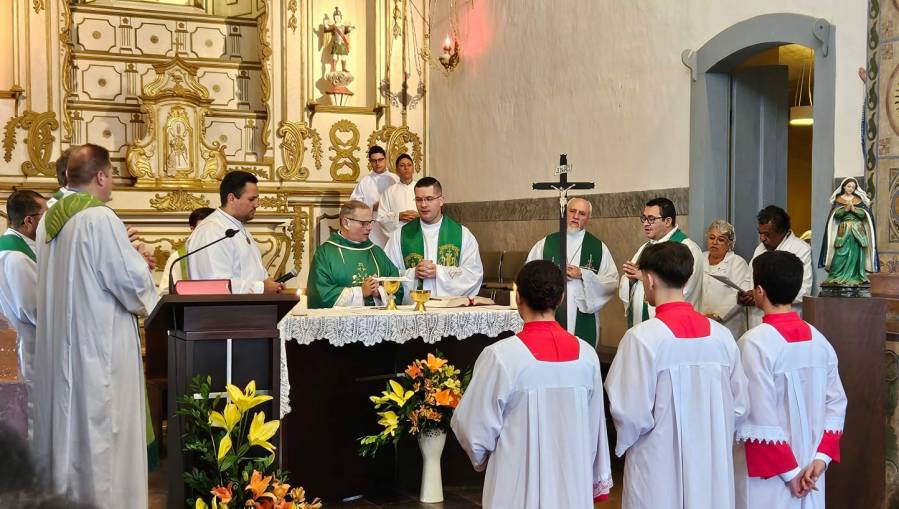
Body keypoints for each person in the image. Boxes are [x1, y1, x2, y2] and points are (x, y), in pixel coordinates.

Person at [31, 144, 159, 508]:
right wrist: (136, 256)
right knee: (103, 429)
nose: (113, 180)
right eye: (112, 174)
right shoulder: (99, 218)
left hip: (65, 345)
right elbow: (133, 286)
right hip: (98, 345)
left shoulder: (50, 219)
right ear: (101, 176)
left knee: (72, 431)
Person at [452, 260, 613, 508]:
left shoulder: (501, 356)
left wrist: (482, 458)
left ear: (518, 299)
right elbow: (594, 430)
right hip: (571, 485)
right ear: (560, 299)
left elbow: (473, 426)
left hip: (516, 486)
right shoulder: (587, 355)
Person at [605, 241, 748, 509]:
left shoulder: (642, 338)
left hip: (659, 464)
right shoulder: (722, 336)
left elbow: (629, 413)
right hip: (710, 463)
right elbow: (739, 407)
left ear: (649, 279)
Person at [735, 251, 847, 509]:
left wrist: (790, 473)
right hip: (812, 471)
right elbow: (837, 404)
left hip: (772, 477)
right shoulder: (820, 341)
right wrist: (821, 458)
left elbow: (757, 416)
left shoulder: (754, 344)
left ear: (759, 291)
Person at [525, 197, 618, 346]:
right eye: (572, 211)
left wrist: (583, 275)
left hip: (581, 312)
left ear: (588, 218)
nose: (576, 216)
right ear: (564, 213)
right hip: (550, 310)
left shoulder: (598, 248)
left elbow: (611, 283)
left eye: (582, 213)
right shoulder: (545, 244)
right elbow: (528, 274)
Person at [384, 176, 484, 301]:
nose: (423, 205)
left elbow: (474, 274)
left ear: (441, 200)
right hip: (413, 311)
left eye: (429, 199)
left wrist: (439, 272)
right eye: (419, 200)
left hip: (449, 311)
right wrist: (413, 273)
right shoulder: (400, 235)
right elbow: (387, 274)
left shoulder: (462, 234)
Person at [186, 171, 284, 294]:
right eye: (251, 199)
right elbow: (217, 284)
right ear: (231, 198)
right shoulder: (211, 231)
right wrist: (261, 288)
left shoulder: (237, 228)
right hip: (221, 311)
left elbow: (252, 273)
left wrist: (271, 284)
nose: (257, 204)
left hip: (246, 310)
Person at [618, 197, 703, 327]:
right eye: (644, 218)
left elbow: (684, 290)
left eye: (651, 219)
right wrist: (630, 279)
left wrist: (644, 276)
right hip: (640, 323)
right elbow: (632, 276)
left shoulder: (687, 248)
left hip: (671, 326)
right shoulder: (646, 247)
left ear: (668, 221)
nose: (645, 223)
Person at [306, 200, 402, 308]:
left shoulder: (376, 252)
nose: (369, 227)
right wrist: (360, 292)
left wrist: (378, 292)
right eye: (363, 223)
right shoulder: (325, 254)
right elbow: (320, 295)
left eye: (370, 222)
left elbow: (397, 287)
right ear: (346, 223)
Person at [0, 190, 47, 398]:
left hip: (17, 347)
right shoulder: (17, 257)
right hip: (28, 351)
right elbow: (36, 310)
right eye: (45, 215)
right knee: (30, 418)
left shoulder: (10, 249)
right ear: (29, 221)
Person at [738, 206, 812, 327]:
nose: (762, 238)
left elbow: (803, 291)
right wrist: (745, 294)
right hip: (757, 322)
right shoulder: (759, 249)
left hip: (784, 322)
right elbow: (749, 280)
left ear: (782, 232)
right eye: (760, 233)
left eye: (766, 234)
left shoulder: (801, 249)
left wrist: (760, 296)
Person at [819, 177, 877, 286]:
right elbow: (836, 214)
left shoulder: (858, 200)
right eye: (849, 186)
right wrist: (845, 209)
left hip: (857, 230)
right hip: (844, 229)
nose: (850, 189)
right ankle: (835, 275)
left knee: (857, 254)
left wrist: (854, 209)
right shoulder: (838, 200)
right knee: (841, 253)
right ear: (844, 186)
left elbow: (864, 214)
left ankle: (855, 276)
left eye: (853, 187)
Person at [701, 219, 752, 339]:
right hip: (702, 320)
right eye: (712, 237)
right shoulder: (700, 258)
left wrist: (716, 315)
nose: (715, 242)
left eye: (721, 239)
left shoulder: (737, 262)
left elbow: (739, 293)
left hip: (728, 324)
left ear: (730, 243)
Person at [349, 146, 399, 246]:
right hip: (373, 227)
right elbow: (354, 205)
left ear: (385, 159)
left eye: (380, 160)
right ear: (370, 162)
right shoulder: (365, 181)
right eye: (374, 161)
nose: (377, 163)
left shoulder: (395, 179)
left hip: (392, 225)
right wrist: (372, 206)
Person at [158, 207, 215, 294]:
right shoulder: (178, 258)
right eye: (203, 229)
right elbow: (166, 292)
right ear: (192, 229)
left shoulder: (226, 253)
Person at [376, 153, 418, 239]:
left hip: (419, 234)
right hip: (398, 236)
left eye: (409, 165)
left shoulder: (421, 188)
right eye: (402, 165)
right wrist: (398, 216)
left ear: (413, 169)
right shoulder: (389, 192)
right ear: (397, 170)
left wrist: (419, 216)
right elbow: (381, 217)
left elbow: (432, 212)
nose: (406, 168)